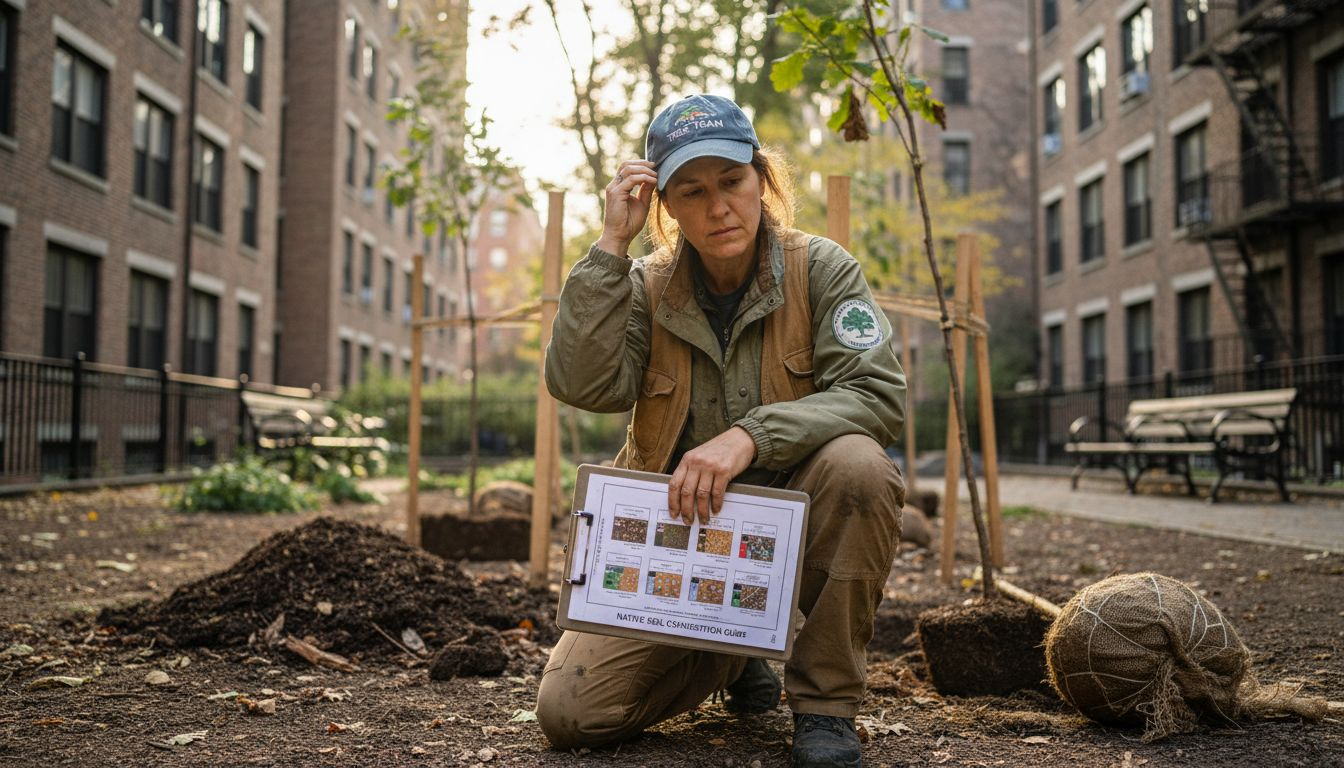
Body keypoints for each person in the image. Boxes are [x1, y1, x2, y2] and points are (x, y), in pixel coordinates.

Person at [536, 93, 906, 768]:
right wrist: (611, 246)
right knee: (572, 714)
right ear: (666, 206)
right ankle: (733, 652)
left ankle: (825, 705)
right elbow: (583, 385)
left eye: (732, 181)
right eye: (692, 191)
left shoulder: (821, 269)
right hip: (678, 543)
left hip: (794, 526)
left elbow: (877, 397)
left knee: (860, 466)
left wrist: (751, 437)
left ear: (761, 180)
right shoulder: (644, 286)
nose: (718, 208)